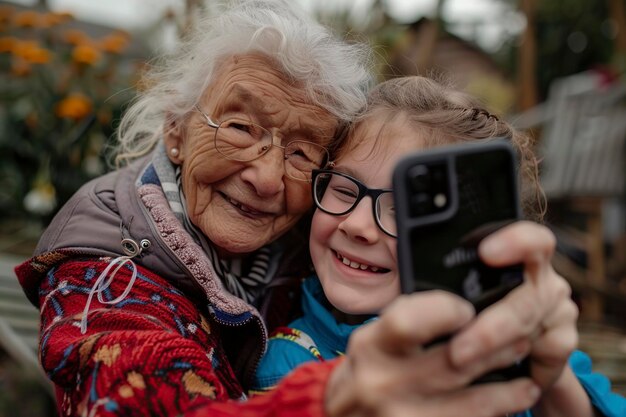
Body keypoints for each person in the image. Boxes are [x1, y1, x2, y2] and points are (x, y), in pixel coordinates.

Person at [13, 0, 622, 415]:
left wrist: (553, 385)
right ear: (175, 129)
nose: (268, 176)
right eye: (240, 125)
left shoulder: (312, 229)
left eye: (304, 152)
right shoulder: (109, 279)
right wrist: (342, 396)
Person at [252, 76, 626, 417]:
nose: (357, 225)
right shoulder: (289, 367)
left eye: (404, 209)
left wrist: (549, 379)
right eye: (344, 190)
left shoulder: (520, 337)